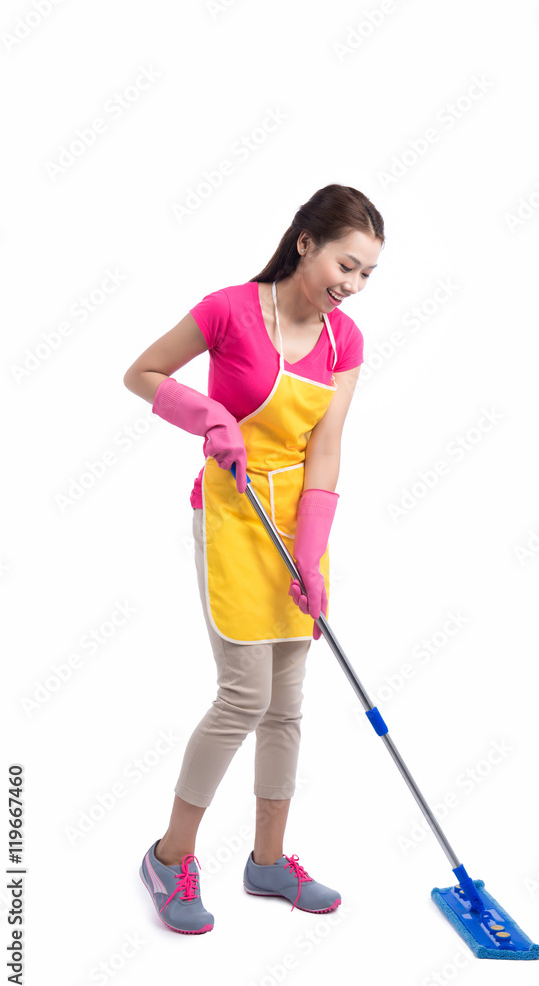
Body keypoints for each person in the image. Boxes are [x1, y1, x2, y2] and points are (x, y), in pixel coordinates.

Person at [123, 184, 384, 934]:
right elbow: (141, 373)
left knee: (287, 702)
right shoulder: (229, 309)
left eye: (367, 274)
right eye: (346, 263)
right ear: (305, 241)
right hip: (233, 513)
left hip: (297, 517)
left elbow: (327, 447)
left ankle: (268, 861)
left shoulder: (344, 340)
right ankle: (170, 859)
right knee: (243, 694)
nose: (352, 285)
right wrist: (208, 417)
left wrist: (311, 555)